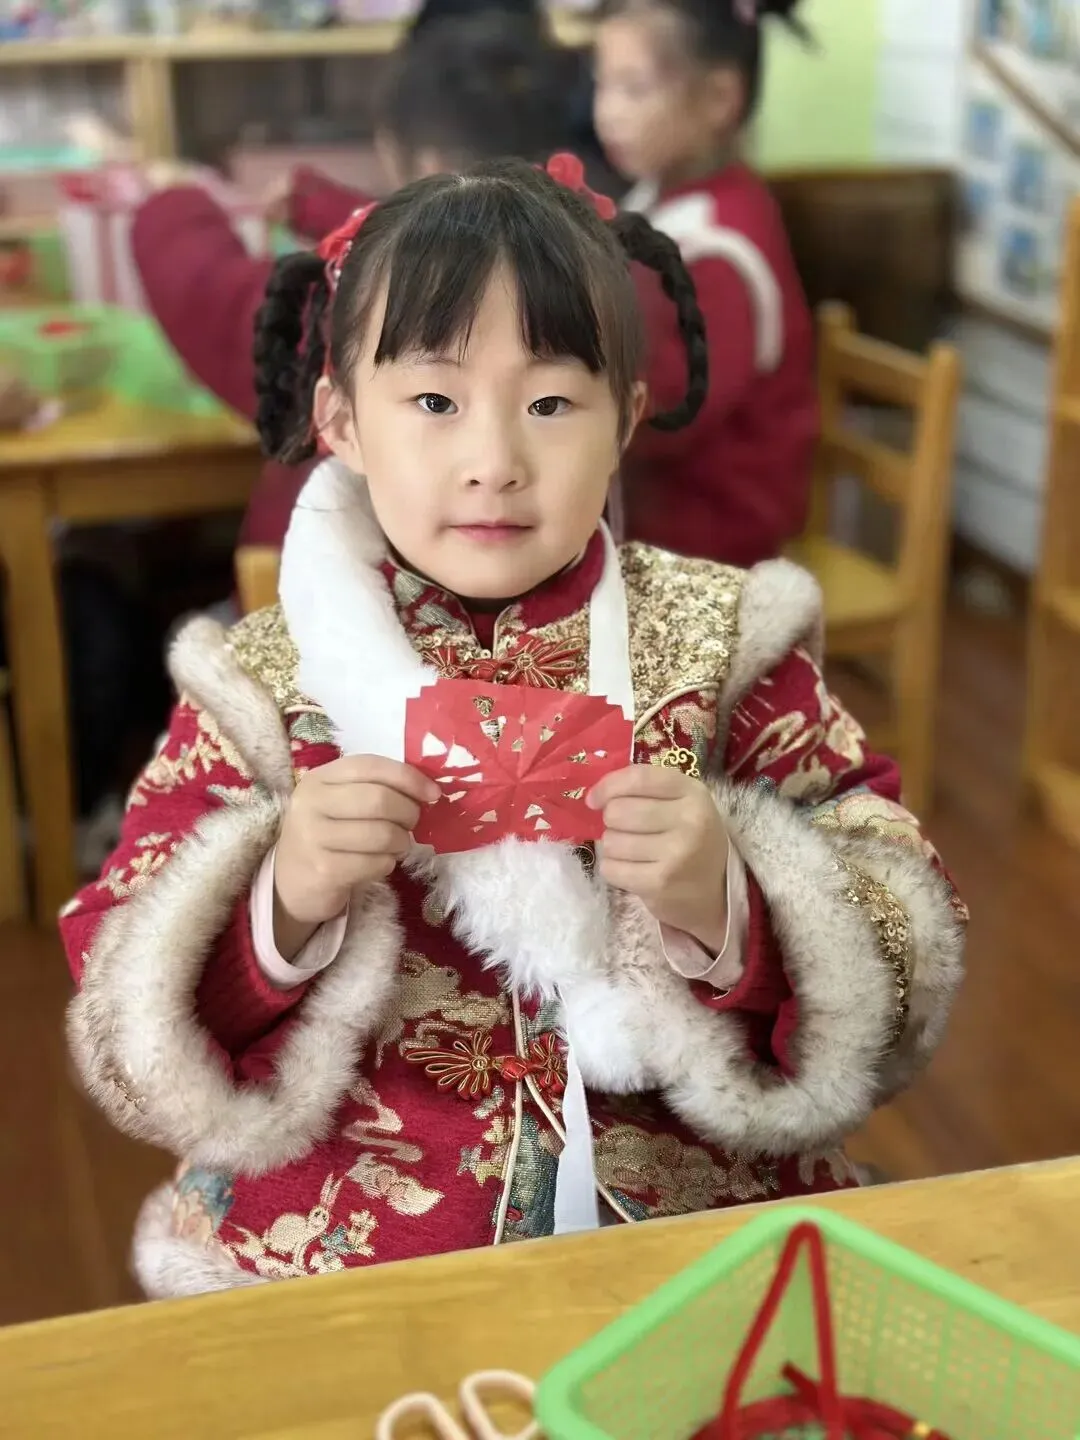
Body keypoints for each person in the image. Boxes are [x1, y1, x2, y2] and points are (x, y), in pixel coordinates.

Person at [62, 158, 965, 1295]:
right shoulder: (254, 690)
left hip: (690, 1226)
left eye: (550, 404)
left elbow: (906, 934)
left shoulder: (726, 646)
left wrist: (731, 902)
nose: (494, 463)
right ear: (341, 419)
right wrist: (281, 900)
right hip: (352, 1248)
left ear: (625, 417)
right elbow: (125, 1010)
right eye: (434, 403)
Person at [128, 12, 599, 553]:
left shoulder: (373, 304)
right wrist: (324, 206)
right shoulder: (599, 267)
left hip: (358, 591)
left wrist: (172, 198)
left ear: (419, 158)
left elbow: (215, 294)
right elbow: (456, 222)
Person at [593, 0, 819, 567]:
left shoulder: (719, 252)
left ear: (719, 98)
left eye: (634, 89)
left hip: (711, 537)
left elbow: (669, 420)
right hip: (658, 506)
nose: (607, 112)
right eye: (602, 85)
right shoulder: (659, 193)